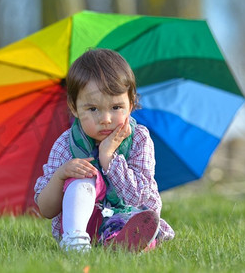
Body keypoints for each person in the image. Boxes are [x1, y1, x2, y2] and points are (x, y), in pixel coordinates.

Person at [34, 48, 174, 252]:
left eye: (116, 107)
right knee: (81, 173)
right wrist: (61, 175)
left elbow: (139, 198)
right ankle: (76, 242)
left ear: (131, 103)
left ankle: (120, 243)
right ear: (74, 108)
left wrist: (109, 158)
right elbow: (46, 209)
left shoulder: (139, 139)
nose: (105, 119)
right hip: (85, 226)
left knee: (142, 229)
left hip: (128, 217)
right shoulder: (66, 144)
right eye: (93, 109)